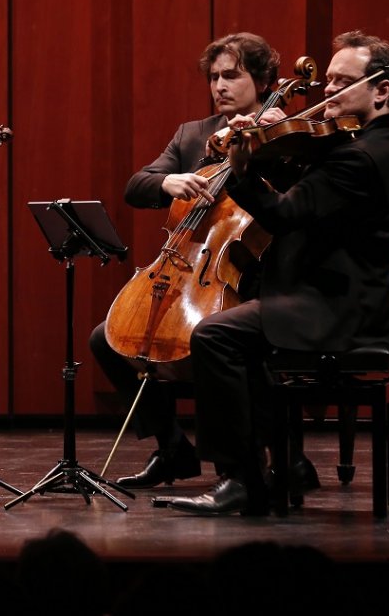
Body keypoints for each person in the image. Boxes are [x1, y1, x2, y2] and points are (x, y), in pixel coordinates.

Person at [167, 30, 389, 515]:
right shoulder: (381, 141)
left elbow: (284, 214)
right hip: (346, 295)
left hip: (335, 308)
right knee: (243, 332)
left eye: (343, 83)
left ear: (381, 90)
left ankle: (241, 478)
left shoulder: (360, 158)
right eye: (327, 81)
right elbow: (309, 187)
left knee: (215, 335)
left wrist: (241, 170)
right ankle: (284, 463)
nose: (327, 91)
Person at [89, 32, 280, 490]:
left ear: (261, 79)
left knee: (211, 339)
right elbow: (136, 185)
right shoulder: (193, 134)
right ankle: (172, 448)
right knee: (109, 339)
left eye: (231, 76)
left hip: (252, 279)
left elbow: (289, 204)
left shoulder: (280, 133)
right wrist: (169, 182)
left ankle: (246, 462)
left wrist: (261, 143)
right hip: (189, 272)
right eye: (214, 77)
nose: (220, 86)